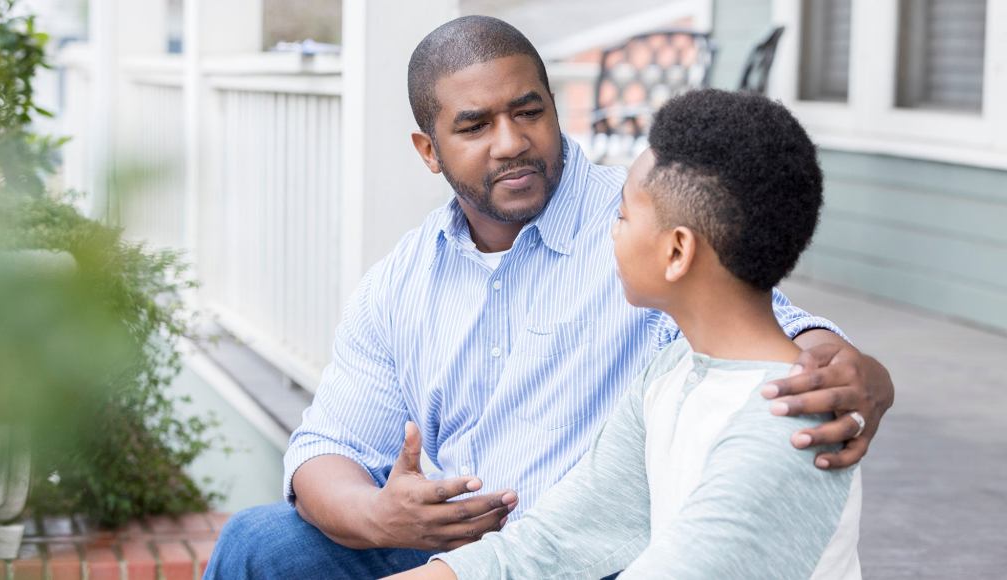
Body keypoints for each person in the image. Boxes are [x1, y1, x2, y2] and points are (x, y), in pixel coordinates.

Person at [204, 16, 893, 579]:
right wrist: (380, 514)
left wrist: (846, 368)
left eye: (529, 111)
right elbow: (329, 443)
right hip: (474, 546)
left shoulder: (645, 227)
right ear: (429, 148)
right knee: (261, 545)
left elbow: (759, 322)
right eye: (475, 125)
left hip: (606, 555)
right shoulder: (401, 282)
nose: (512, 143)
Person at [390, 88, 863, 580]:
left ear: (677, 252)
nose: (611, 233)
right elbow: (553, 541)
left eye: (622, 216)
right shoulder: (671, 372)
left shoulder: (786, 422)